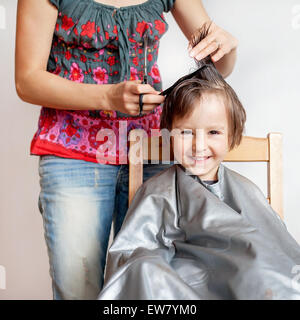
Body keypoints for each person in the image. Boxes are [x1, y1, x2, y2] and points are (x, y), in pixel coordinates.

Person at [15, 0, 238, 300]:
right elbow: (26, 80)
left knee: (148, 288)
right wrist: (108, 96)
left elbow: (216, 66)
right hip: (73, 152)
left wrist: (229, 48)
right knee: (78, 290)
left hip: (149, 152)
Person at [98, 27, 300, 300]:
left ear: (232, 137)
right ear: (169, 134)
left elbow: (272, 250)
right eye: (186, 133)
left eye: (213, 132)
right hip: (178, 285)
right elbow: (132, 255)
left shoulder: (245, 190)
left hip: (239, 284)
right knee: (145, 269)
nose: (199, 146)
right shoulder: (158, 191)